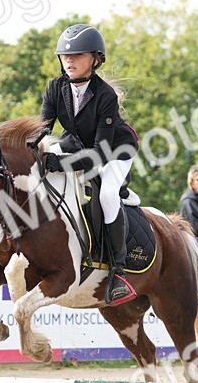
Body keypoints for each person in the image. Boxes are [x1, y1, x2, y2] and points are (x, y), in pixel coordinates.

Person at [38, 23, 139, 305]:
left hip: (115, 149)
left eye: (78, 55)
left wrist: (61, 163)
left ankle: (118, 271)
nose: (69, 60)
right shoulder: (55, 87)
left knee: (107, 195)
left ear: (95, 60)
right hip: (77, 142)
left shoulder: (105, 95)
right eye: (65, 56)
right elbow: (42, 130)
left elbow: (99, 152)